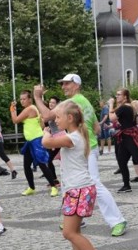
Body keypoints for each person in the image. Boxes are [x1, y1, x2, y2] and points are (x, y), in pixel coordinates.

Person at [33, 74, 128, 237]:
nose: (63, 87)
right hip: (83, 146)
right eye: (62, 84)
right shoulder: (84, 101)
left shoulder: (73, 102)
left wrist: (37, 97)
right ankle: (76, 217)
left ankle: (117, 220)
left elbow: (48, 116)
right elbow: (97, 128)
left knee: (93, 184)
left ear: (76, 85)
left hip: (83, 148)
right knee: (69, 182)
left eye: (67, 84)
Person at [41, 101, 113, 250]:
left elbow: (46, 143)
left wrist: (46, 132)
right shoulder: (75, 134)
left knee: (68, 233)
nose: (55, 121)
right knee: (75, 231)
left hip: (78, 189)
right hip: (76, 189)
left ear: (70, 118)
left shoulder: (72, 138)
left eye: (59, 118)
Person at [10, 90, 59, 197]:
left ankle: (54, 186)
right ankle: (31, 187)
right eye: (21, 99)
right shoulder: (34, 109)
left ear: (30, 99)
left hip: (36, 140)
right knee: (26, 165)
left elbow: (15, 120)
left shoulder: (30, 109)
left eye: (24, 99)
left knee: (42, 164)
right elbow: (41, 125)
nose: (22, 101)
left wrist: (12, 109)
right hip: (31, 141)